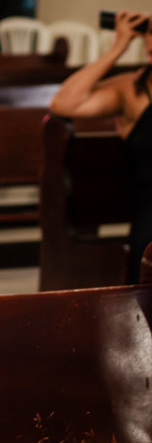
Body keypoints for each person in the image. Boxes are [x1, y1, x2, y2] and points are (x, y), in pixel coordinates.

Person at [49, 9, 152, 282]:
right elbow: (63, 103)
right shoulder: (133, 91)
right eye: (149, 33)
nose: (151, 42)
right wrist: (117, 47)